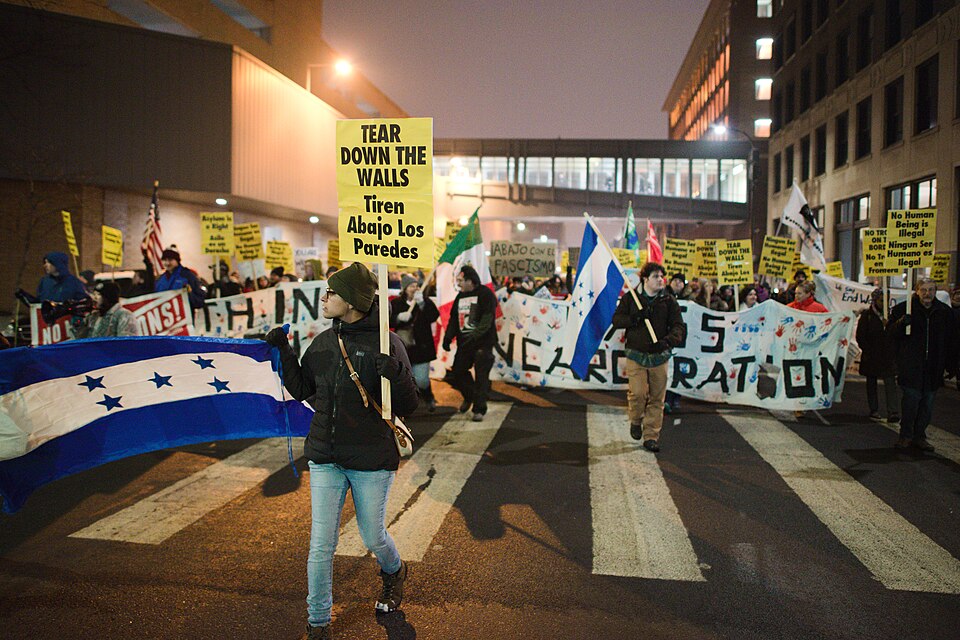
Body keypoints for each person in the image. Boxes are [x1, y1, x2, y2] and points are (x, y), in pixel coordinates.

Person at [264, 262, 418, 640]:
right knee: (321, 545)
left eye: (331, 292)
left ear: (351, 301)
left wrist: (396, 374)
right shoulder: (323, 342)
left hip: (371, 459)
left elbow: (410, 404)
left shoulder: (387, 343)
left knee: (373, 536)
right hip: (325, 457)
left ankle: (394, 571)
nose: (324, 298)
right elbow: (302, 388)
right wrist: (283, 350)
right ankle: (318, 622)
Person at [611, 262, 686, 452]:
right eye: (656, 276)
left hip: (659, 356)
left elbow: (678, 326)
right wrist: (634, 318)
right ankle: (636, 420)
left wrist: (667, 342)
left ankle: (651, 436)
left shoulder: (668, 301)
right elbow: (617, 320)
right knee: (637, 394)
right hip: (636, 354)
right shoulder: (631, 298)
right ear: (645, 279)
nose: (660, 280)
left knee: (657, 398)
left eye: (662, 276)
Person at [886, 278, 959, 451]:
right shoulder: (903, 309)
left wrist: (951, 366)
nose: (927, 293)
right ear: (917, 291)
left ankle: (919, 436)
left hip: (933, 367)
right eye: (924, 290)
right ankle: (906, 436)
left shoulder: (944, 312)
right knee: (911, 402)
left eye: (931, 290)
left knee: (927, 405)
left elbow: (952, 341)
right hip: (911, 366)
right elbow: (890, 335)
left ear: (936, 291)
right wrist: (901, 324)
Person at [442, 265, 498, 421]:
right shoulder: (460, 297)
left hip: (482, 343)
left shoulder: (485, 294)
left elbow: (487, 318)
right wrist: (448, 338)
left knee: (481, 376)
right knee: (458, 372)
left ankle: (479, 409)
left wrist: (475, 335)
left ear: (470, 281)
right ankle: (470, 396)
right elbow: (454, 320)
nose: (458, 284)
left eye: (460, 280)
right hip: (464, 343)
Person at [390, 274, 440, 411]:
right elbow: (388, 320)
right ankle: (410, 403)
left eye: (417, 286)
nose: (415, 288)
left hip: (422, 347)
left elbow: (434, 316)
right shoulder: (396, 303)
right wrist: (398, 318)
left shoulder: (424, 301)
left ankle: (428, 396)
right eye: (412, 286)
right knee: (405, 378)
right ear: (405, 288)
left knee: (422, 380)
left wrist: (423, 304)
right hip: (404, 347)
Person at [856, 288, 898, 423]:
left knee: (890, 383)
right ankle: (874, 409)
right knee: (871, 383)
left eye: (887, 300)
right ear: (875, 300)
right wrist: (868, 350)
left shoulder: (891, 315)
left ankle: (893, 411)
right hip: (872, 355)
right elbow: (861, 336)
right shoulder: (867, 316)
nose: (884, 303)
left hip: (887, 355)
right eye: (881, 300)